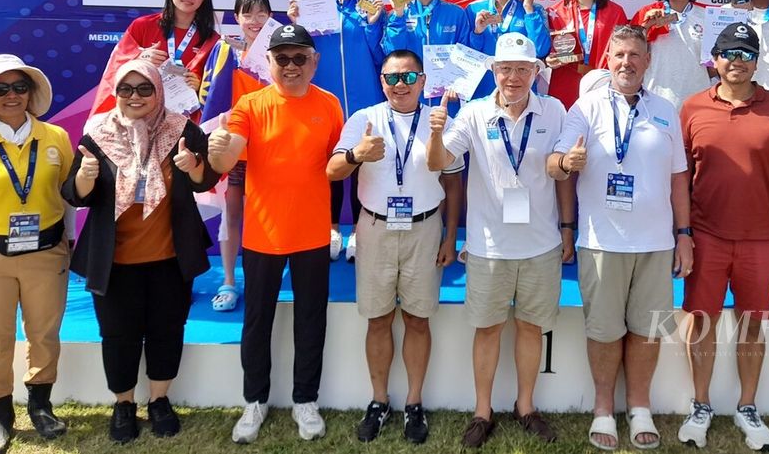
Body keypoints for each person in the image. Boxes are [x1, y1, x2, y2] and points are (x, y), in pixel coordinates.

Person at [676, 23, 769, 451]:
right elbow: (680, 175)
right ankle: (700, 405)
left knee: (752, 324)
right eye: (728, 53)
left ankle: (747, 406)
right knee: (702, 323)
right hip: (705, 234)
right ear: (714, 60)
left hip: (759, 237)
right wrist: (682, 232)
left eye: (745, 54)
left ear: (757, 61)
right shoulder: (691, 107)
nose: (736, 61)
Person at [427, 33, 574, 448]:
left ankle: (525, 408)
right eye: (506, 68)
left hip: (540, 245)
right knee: (488, 330)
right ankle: (482, 412)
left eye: (522, 69)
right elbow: (439, 163)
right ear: (493, 72)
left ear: (535, 72)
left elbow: (562, 174)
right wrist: (437, 133)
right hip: (488, 246)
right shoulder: (473, 113)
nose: (513, 77)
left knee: (531, 329)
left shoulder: (555, 109)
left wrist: (567, 228)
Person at [549, 25, 692, 451]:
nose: (627, 62)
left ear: (648, 62)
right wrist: (565, 161)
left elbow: (680, 178)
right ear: (607, 60)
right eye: (619, 55)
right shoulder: (585, 107)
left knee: (648, 330)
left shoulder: (666, 109)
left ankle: (641, 407)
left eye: (635, 55)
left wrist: (683, 234)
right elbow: (555, 167)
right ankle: (603, 409)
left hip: (655, 242)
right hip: (601, 241)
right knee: (604, 330)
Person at [63, 60, 218, 443]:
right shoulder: (96, 134)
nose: (135, 97)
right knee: (118, 335)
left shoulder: (182, 129)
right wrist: (83, 179)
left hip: (169, 257)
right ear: (116, 93)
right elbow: (72, 193)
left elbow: (205, 180)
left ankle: (160, 401)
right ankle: (124, 404)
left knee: (168, 330)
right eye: (126, 90)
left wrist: (194, 165)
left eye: (144, 89)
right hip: (114, 262)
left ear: (158, 91)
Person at [207, 24, 344, 444]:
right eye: (281, 58)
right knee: (256, 321)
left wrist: (336, 223)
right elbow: (230, 154)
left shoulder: (330, 105)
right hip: (263, 235)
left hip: (313, 235)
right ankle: (255, 400)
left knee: (310, 322)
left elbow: (337, 169)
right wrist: (218, 151)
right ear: (268, 62)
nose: (290, 66)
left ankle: (306, 400)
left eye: (299, 57)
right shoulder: (249, 105)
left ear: (314, 62)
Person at [327, 49, 463, 444]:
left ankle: (414, 403)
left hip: (424, 230)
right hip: (375, 229)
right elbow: (333, 171)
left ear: (422, 81)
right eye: (392, 78)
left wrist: (451, 236)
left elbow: (453, 182)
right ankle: (379, 400)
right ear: (382, 81)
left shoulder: (440, 121)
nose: (399, 85)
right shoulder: (363, 119)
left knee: (418, 319)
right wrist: (356, 154)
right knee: (378, 319)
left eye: (408, 78)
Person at [0, 55, 73, 454]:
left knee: (43, 335)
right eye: (1, 89)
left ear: (31, 93)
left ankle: (40, 406)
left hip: (47, 252)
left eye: (20, 87)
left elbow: (70, 195)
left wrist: (68, 244)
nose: (12, 95)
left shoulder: (56, 137)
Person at [288, 0, 384, 262]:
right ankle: (330, 229)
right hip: (322, 99)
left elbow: (378, 54)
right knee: (329, 165)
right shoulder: (311, 4)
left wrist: (372, 24)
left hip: (363, 99)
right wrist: (296, 23)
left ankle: (357, 231)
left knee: (359, 166)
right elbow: (300, 51)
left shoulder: (368, 6)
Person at [198, 0, 272, 312]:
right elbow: (207, 94)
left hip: (269, 146)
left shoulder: (278, 51)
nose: (254, 21)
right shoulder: (223, 49)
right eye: (247, 14)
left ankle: (262, 276)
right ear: (237, 18)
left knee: (267, 215)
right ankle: (228, 280)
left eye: (261, 14)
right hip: (233, 147)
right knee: (231, 214)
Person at [91, 0, 220, 116]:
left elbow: (217, 85)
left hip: (184, 117)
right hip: (140, 113)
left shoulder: (211, 39)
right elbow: (115, 65)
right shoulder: (142, 25)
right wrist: (140, 58)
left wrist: (201, 86)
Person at [546, 0, 628, 109]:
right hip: (563, 90)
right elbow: (542, 52)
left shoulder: (616, 12)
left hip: (603, 90)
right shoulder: (554, 12)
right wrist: (547, 61)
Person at [630, 0, 712, 110]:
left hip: (699, 102)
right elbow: (631, 54)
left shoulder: (708, 14)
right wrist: (646, 27)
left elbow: (714, 66)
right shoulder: (646, 13)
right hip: (655, 100)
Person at [466, 0, 551, 99]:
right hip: (482, 88)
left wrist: (529, 12)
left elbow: (541, 50)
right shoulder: (473, 9)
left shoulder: (533, 9)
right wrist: (478, 32)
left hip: (519, 87)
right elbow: (467, 54)